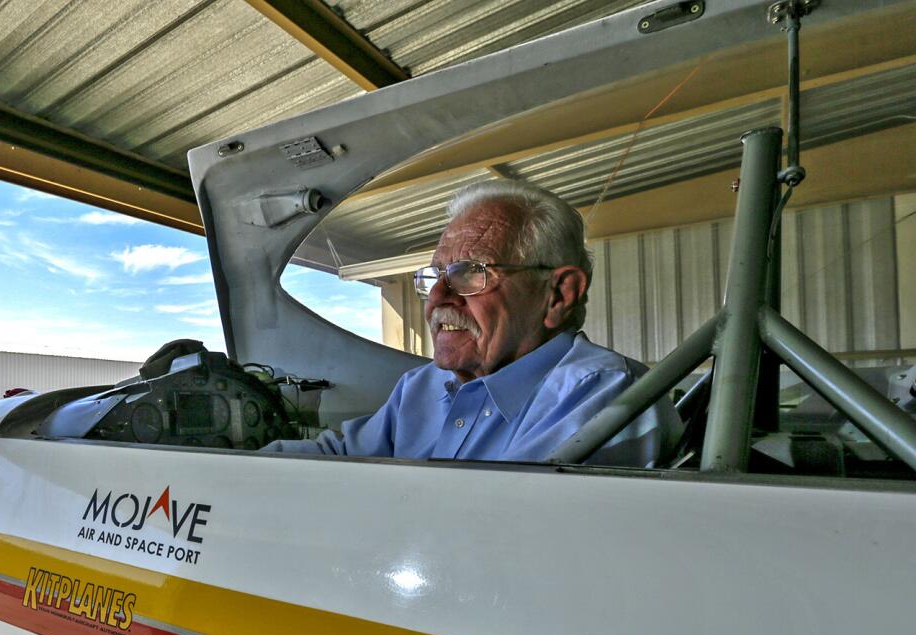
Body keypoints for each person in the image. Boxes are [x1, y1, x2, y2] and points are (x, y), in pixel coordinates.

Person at [264, 179, 680, 466]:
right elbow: (340, 459)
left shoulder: (605, 395)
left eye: (470, 274)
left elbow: (503, 535)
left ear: (558, 295)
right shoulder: (421, 387)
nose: (438, 299)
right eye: (434, 278)